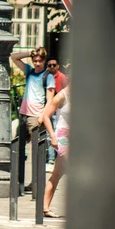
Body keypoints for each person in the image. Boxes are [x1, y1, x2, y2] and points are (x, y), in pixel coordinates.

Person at [9, 47, 55, 141]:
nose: (37, 63)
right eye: (35, 61)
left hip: (36, 116)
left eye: (40, 61)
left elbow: (50, 100)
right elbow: (13, 57)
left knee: (36, 148)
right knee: (19, 147)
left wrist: (42, 116)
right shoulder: (29, 71)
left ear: (44, 60)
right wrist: (30, 53)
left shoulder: (48, 77)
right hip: (23, 115)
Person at [41, 85, 70, 218]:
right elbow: (46, 116)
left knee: (57, 173)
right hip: (62, 136)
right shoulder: (61, 96)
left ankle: (45, 208)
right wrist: (52, 136)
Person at [45, 58, 69, 169]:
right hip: (60, 109)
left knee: (56, 175)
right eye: (49, 65)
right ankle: (50, 159)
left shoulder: (62, 77)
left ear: (58, 66)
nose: (51, 67)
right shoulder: (48, 76)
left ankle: (51, 160)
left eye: (53, 65)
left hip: (63, 108)